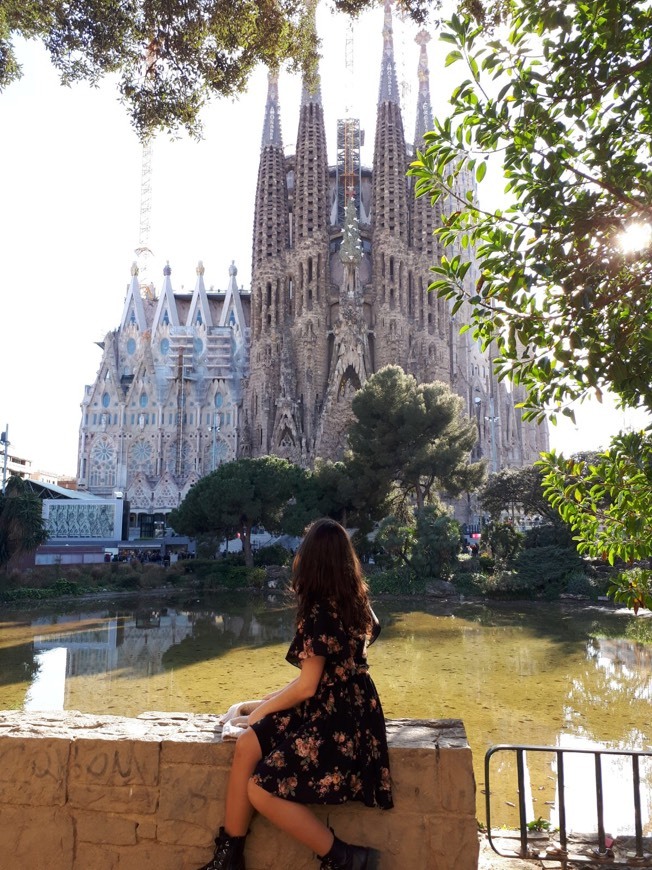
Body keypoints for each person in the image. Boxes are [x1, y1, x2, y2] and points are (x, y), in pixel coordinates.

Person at [198, 518, 393, 870]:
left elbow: (307, 686)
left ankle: (345, 858)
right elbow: (317, 681)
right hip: (345, 705)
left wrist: (256, 715)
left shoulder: (319, 611)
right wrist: (255, 705)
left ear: (312, 560)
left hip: (337, 719)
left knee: (259, 790)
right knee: (247, 745)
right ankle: (228, 858)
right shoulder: (354, 601)